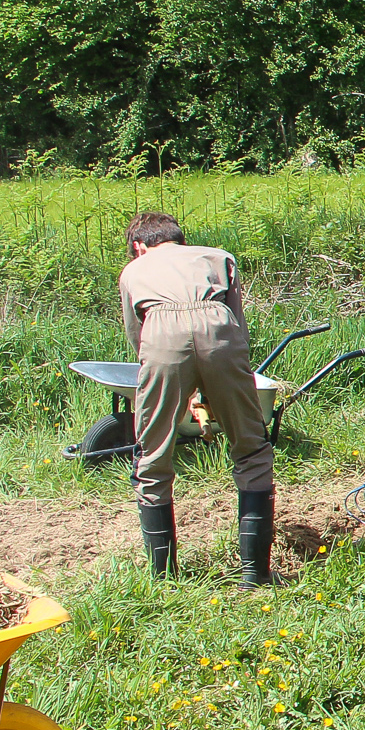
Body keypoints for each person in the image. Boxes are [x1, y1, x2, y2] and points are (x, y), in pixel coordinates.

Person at [118, 211, 275, 584]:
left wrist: (176, 383)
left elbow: (137, 337)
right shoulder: (219, 258)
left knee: (152, 454)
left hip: (160, 334)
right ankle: (255, 575)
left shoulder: (133, 271)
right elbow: (237, 325)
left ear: (139, 246)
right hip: (218, 328)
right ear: (178, 238)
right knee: (251, 447)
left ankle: (164, 577)